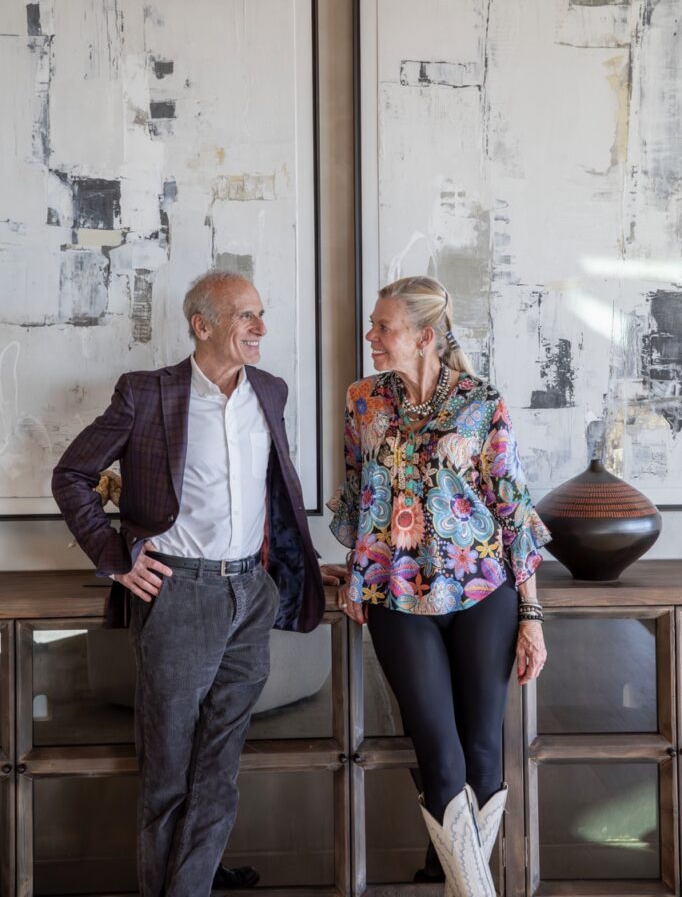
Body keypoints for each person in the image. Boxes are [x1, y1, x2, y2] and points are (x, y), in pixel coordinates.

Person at [52, 270, 333, 897]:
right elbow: (71, 475)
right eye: (244, 317)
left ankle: (194, 879)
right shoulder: (147, 394)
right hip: (178, 596)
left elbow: (275, 496)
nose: (260, 328)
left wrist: (305, 560)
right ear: (202, 325)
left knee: (219, 770)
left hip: (249, 595)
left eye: (261, 314)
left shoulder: (271, 391)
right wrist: (115, 556)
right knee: (169, 770)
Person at [328, 275, 551, 897]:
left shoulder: (482, 401)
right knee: (439, 753)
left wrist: (530, 614)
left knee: (484, 750)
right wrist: (355, 567)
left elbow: (511, 509)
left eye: (383, 327)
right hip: (396, 593)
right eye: (373, 326)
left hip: (485, 593)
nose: (372, 336)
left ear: (424, 337)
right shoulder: (363, 400)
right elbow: (358, 491)